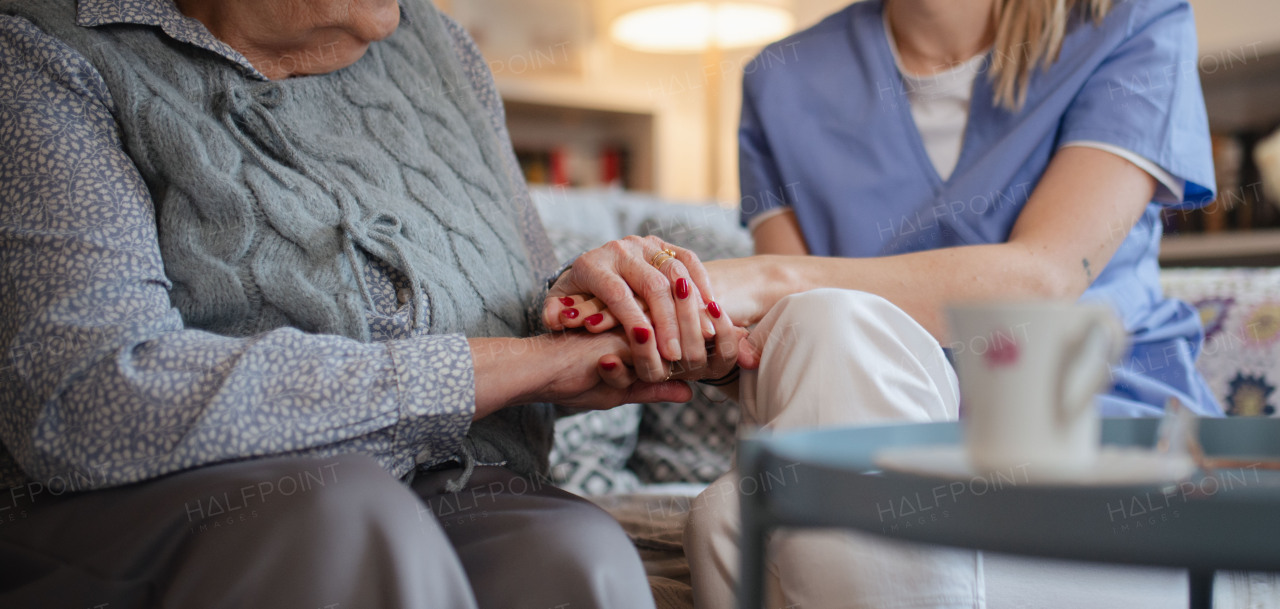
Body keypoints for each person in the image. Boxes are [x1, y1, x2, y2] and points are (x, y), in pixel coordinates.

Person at [0, 0, 745, 607]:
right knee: (347, 516)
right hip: (158, 507)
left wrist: (593, 316)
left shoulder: (441, 49)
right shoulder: (47, 50)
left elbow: (525, 339)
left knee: (572, 554)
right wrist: (507, 365)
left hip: (453, 483)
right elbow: (85, 399)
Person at [556, 0, 1219, 607]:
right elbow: (783, 340)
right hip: (878, 451)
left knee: (729, 523)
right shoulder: (779, 79)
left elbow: (1042, 278)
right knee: (819, 328)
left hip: (1093, 452)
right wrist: (695, 333)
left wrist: (761, 280)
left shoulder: (1133, 20)